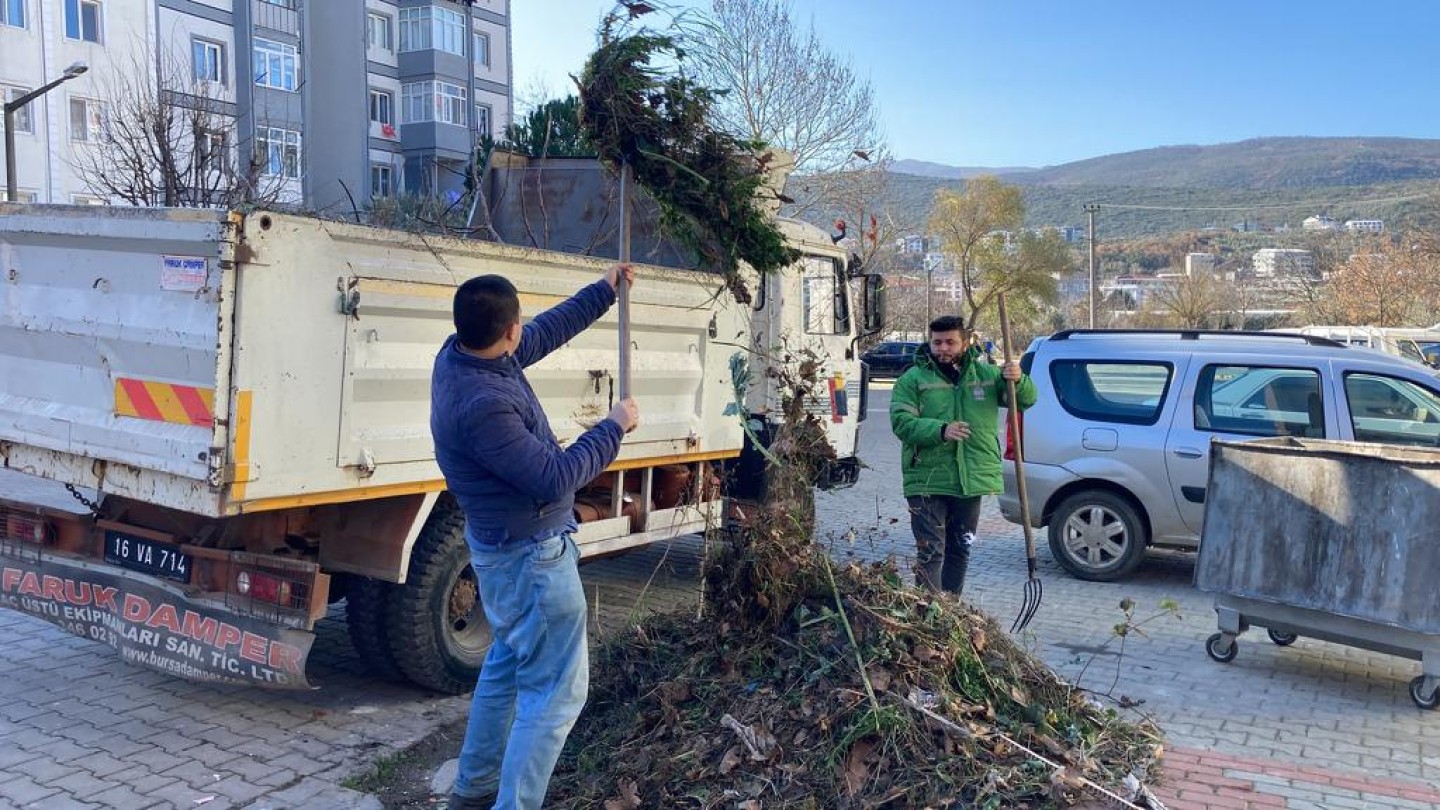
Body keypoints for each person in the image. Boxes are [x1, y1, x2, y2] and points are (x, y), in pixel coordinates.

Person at [431, 264, 639, 810]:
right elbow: (554, 476)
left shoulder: (462, 358)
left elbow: (547, 331)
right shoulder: (485, 405)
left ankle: (472, 791)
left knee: (505, 666)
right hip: (530, 560)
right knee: (556, 697)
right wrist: (613, 426)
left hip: (502, 554)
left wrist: (605, 292)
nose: (526, 333)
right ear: (508, 331)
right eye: (520, 326)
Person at [889, 315, 1036, 595]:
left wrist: (1019, 380)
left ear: (965, 342)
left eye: (950, 342)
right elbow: (901, 423)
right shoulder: (913, 379)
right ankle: (927, 613)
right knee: (931, 553)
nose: (943, 348)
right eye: (937, 342)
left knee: (961, 549)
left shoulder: (987, 375)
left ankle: (950, 611)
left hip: (970, 480)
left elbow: (1026, 400)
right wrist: (940, 430)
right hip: (927, 479)